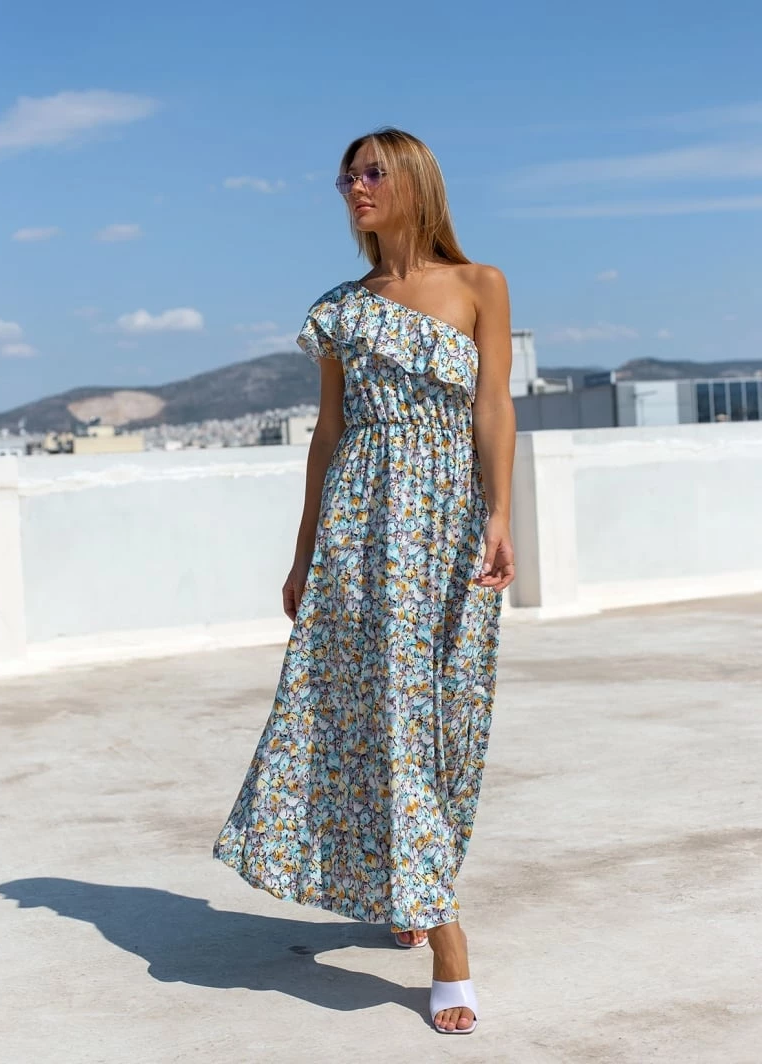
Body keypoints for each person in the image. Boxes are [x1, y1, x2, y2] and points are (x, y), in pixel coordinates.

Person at [213, 126, 516, 1035]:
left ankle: (412, 878)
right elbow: (328, 434)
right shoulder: (340, 311)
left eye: (373, 172)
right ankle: (445, 934)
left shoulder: (479, 285)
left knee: (449, 717)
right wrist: (305, 549)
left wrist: (501, 514)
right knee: (385, 717)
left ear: (415, 181)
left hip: (448, 526)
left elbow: (493, 406)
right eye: (347, 176)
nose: (355, 187)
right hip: (361, 530)